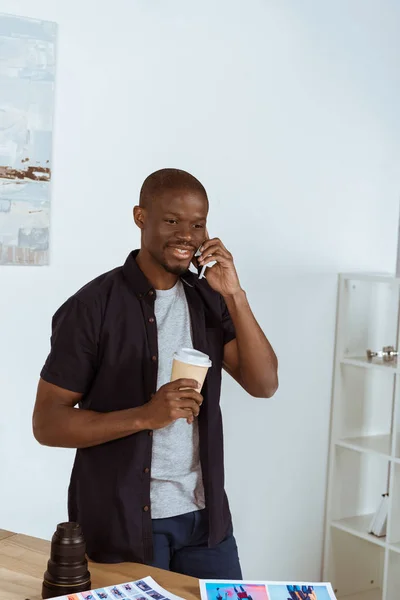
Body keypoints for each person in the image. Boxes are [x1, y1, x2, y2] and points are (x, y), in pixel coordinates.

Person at [32, 168, 278, 578]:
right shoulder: (92, 307)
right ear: (140, 217)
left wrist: (235, 294)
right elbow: (48, 423)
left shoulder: (209, 300)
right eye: (172, 221)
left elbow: (264, 383)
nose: (187, 234)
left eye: (198, 224)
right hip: (123, 522)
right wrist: (146, 415)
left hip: (206, 519)